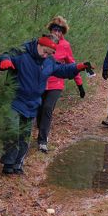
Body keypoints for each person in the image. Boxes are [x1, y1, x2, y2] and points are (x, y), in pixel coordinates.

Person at [0, 34, 90, 174]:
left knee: (25, 135)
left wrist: (78, 67)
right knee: (12, 131)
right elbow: (4, 56)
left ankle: (17, 164)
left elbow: (62, 70)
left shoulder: (49, 61)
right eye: (45, 52)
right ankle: (8, 164)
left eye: (50, 53)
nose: (46, 55)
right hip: (14, 99)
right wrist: (4, 62)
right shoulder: (22, 52)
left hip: (32, 103)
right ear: (39, 45)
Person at [36, 16, 86, 153]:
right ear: (51, 30)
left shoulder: (65, 45)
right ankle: (41, 131)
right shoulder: (44, 42)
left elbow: (72, 66)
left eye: (60, 31)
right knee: (39, 110)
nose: (57, 33)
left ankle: (42, 141)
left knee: (47, 108)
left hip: (56, 84)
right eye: (54, 29)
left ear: (63, 32)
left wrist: (79, 85)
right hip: (41, 83)